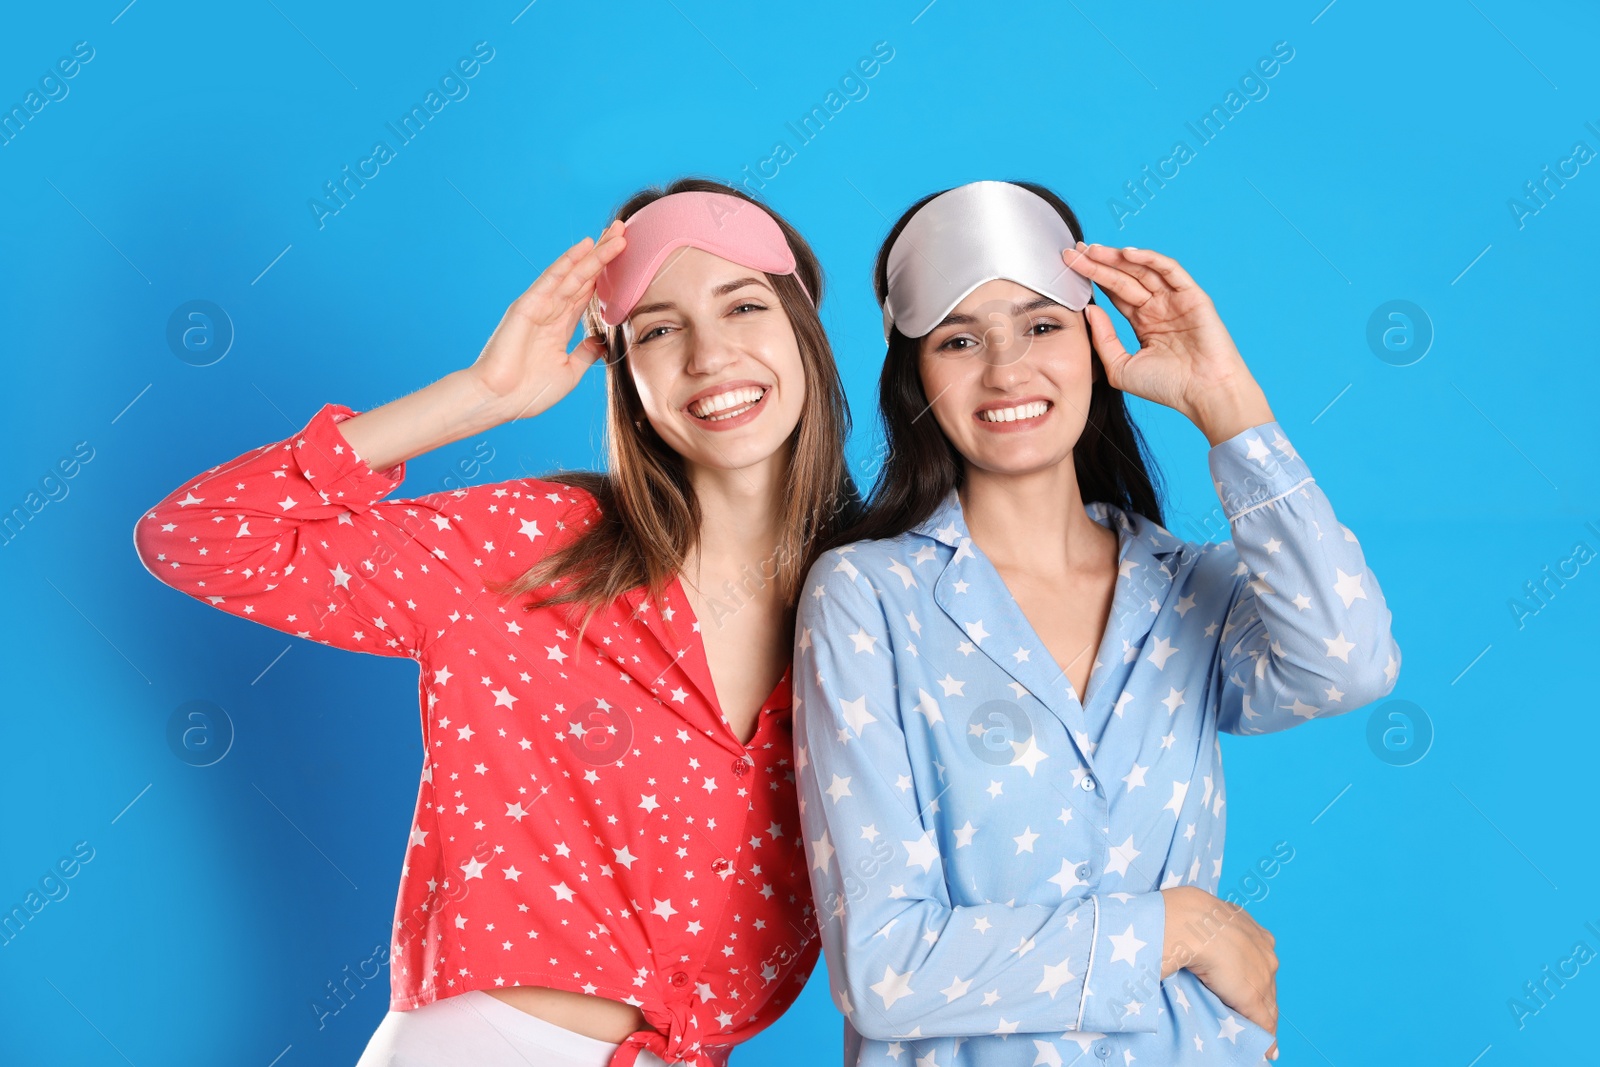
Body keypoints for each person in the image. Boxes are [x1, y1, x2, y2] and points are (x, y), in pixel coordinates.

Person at [133, 178, 861, 1067]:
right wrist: (481, 395)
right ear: (623, 370)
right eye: (660, 328)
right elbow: (199, 535)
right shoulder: (534, 549)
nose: (709, 355)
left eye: (742, 306)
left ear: (803, 329)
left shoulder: (876, 603)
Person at [792, 179, 1401, 1066]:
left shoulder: (1191, 589)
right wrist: (1180, 927)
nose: (1006, 370)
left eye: (1042, 325)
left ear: (1094, 339)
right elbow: (886, 970)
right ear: (915, 373)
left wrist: (1226, 400)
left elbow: (1352, 663)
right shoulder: (866, 598)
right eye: (961, 339)